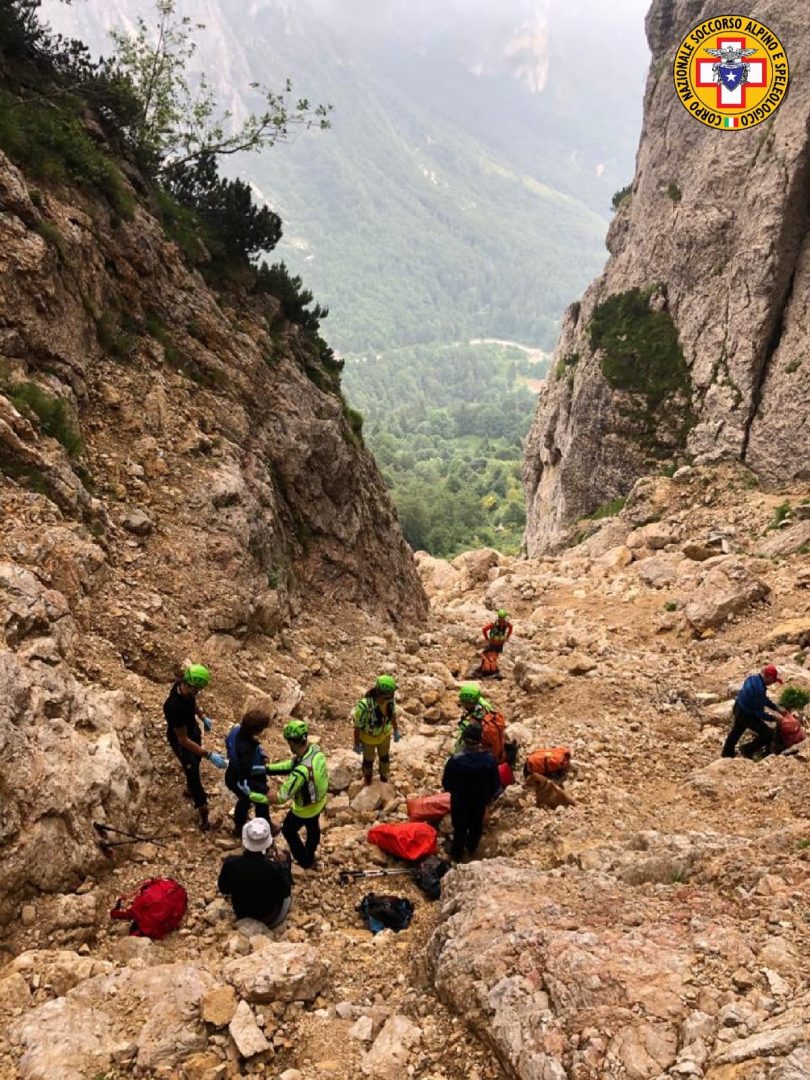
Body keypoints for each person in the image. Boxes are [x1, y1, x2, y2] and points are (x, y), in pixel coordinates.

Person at [241, 720, 328, 870]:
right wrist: (266, 769)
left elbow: (279, 798)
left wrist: (251, 795)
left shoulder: (300, 772)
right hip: (318, 802)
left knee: (288, 829)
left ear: (292, 742)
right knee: (313, 828)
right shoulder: (314, 750)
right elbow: (291, 765)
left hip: (304, 809)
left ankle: (304, 860)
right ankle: (310, 854)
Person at [164, 664, 226, 831]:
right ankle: (203, 812)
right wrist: (209, 755)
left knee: (196, 761)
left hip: (192, 729)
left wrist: (202, 716)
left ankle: (191, 788)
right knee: (193, 773)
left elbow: (193, 703)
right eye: (197, 689)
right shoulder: (173, 707)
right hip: (181, 739)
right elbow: (183, 740)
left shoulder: (183, 686)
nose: (198, 692)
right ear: (190, 685)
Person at [441, 723, 502, 861]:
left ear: (464, 739)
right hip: (480, 801)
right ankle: (471, 848)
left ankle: (457, 853)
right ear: (480, 740)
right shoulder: (489, 760)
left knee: (459, 827)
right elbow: (496, 785)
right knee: (476, 826)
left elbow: (446, 784)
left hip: (460, 800)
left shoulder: (455, 761)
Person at [217, 818, 292, 928]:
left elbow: (224, 888)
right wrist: (284, 865)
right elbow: (285, 892)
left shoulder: (231, 863)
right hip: (269, 916)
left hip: (241, 913)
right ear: (267, 843)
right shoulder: (274, 868)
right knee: (286, 892)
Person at [721, 664, 787, 759]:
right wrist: (775, 718)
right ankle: (748, 750)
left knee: (736, 731)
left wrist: (776, 708)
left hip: (738, 706)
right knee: (767, 734)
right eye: (773, 680)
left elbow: (763, 700)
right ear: (768, 677)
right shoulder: (759, 689)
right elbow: (760, 713)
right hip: (747, 715)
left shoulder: (753, 678)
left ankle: (726, 754)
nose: (773, 683)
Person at [225, 709, 272, 836]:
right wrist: (264, 789)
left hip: (232, 772)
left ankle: (239, 826)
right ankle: (263, 827)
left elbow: (228, 742)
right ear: (257, 731)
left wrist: (261, 755)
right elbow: (244, 779)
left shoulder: (236, 730)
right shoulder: (247, 750)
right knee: (255, 800)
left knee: (244, 800)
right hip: (242, 777)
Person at [352, 675, 401, 785]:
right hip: (368, 738)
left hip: (384, 735)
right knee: (368, 761)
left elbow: (392, 716)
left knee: (384, 758)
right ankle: (368, 778)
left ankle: (384, 776)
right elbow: (357, 727)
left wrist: (396, 730)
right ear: (385, 693)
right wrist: (356, 743)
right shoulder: (364, 706)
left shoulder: (390, 702)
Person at [454, 682, 494, 751]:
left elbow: (466, 731)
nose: (465, 705)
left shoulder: (479, 712)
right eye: (464, 701)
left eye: (468, 703)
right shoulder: (480, 702)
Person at [478, 610, 513, 678]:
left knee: (495, 657)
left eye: (503, 618)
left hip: (499, 643)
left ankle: (490, 670)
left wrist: (507, 637)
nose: (502, 619)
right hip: (493, 643)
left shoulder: (506, 624)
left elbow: (511, 627)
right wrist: (487, 639)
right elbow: (484, 630)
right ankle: (486, 670)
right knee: (491, 657)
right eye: (501, 617)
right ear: (499, 617)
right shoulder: (494, 624)